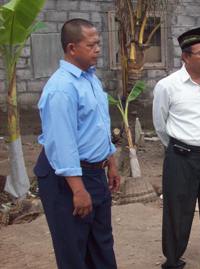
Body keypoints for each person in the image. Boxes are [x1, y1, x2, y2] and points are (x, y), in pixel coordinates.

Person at [34, 19, 120, 269]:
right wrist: (78, 190)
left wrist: (110, 161)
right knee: (73, 251)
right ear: (72, 48)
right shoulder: (61, 89)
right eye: (91, 45)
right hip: (67, 179)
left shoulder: (90, 79)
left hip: (94, 173)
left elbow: (99, 125)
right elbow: (62, 143)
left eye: (98, 44)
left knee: (102, 245)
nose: (98, 49)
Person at [152, 27, 200, 269]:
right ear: (186, 57)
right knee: (177, 212)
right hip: (180, 158)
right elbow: (160, 125)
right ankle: (173, 260)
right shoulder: (167, 86)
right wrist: (179, 147)